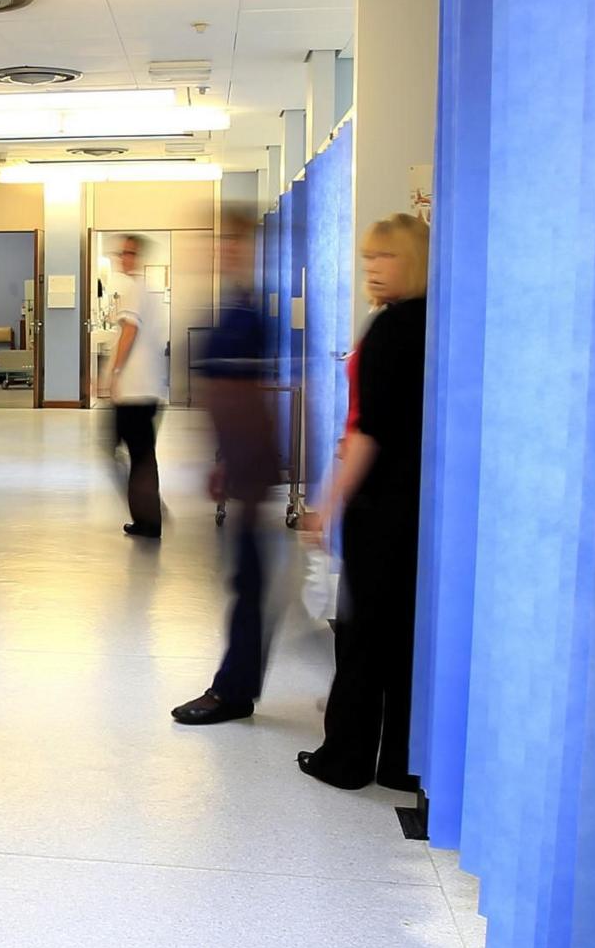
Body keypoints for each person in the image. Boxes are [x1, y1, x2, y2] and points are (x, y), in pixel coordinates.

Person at [298, 214, 430, 790]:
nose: (372, 269)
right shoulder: (433, 321)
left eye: (385, 257)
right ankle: (402, 760)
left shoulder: (390, 328)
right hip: (419, 500)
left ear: (414, 260)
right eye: (368, 258)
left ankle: (344, 758)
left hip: (381, 505)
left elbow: (369, 432)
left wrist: (327, 503)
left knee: (360, 634)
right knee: (403, 634)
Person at [172, 207, 281, 726]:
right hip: (239, 460)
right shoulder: (233, 308)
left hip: (250, 464)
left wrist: (243, 464)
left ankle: (233, 691)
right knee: (248, 577)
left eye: (234, 243)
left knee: (250, 578)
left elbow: (247, 398)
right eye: (221, 243)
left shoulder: (249, 315)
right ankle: (237, 684)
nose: (223, 251)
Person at [95, 234, 171, 538]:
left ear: (138, 258)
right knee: (139, 455)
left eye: (129, 253)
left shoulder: (131, 291)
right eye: (121, 253)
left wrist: (113, 372)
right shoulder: (146, 292)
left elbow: (130, 331)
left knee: (125, 452)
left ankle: (149, 514)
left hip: (134, 392)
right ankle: (148, 512)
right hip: (147, 389)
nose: (123, 258)